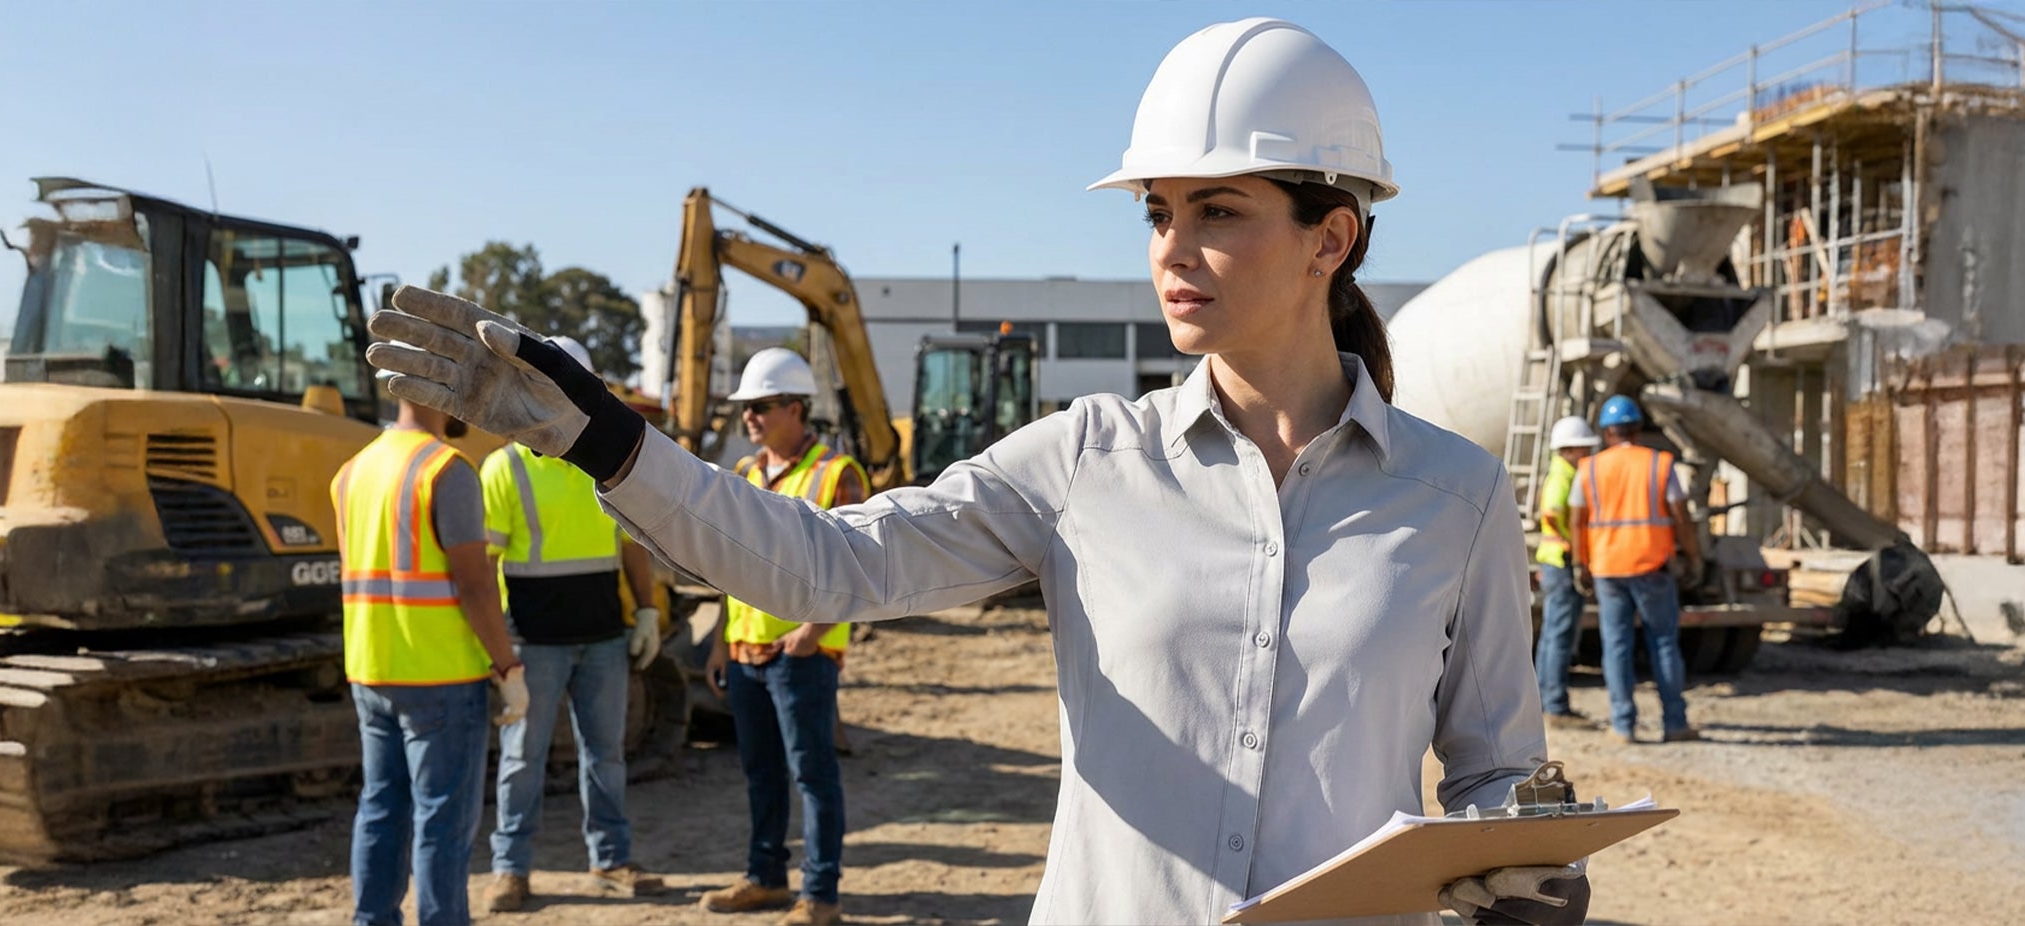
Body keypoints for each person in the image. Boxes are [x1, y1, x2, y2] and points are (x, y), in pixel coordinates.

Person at [368, 17, 1589, 925]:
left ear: (1335, 234)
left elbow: (1491, 765)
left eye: (1219, 208)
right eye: (1157, 212)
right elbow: (823, 563)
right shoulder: (1083, 463)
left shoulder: (1457, 495)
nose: (1176, 248)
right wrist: (607, 443)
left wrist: (1526, 857)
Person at [480, 336, 668, 913]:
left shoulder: (606, 462)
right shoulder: (504, 468)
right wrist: (496, 649)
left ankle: (610, 858)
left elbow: (631, 543)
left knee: (606, 755)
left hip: (603, 638)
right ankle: (510, 869)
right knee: (520, 759)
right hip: (534, 644)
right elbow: (484, 567)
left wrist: (647, 609)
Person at [333, 392, 524, 926]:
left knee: (380, 809)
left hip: (372, 669)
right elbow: (476, 586)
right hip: (440, 676)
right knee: (442, 824)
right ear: (444, 394)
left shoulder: (352, 470)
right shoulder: (447, 470)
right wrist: (509, 667)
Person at [695, 348, 871, 926]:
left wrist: (813, 633)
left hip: (802, 654)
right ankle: (765, 877)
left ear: (796, 408)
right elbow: (728, 565)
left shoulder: (837, 474)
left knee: (813, 775)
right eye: (747, 408)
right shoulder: (744, 473)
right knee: (762, 773)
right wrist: (721, 641)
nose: (749, 417)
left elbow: (856, 567)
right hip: (746, 652)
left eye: (762, 407)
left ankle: (820, 896)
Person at [1567, 395, 1704, 745]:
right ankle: (1674, 723)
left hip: (1608, 568)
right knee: (1663, 644)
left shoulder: (1590, 468)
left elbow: (1577, 520)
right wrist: (1693, 555)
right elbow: (1681, 515)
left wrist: (1581, 563)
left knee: (1616, 646)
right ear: (1638, 428)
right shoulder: (1659, 464)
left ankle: (1622, 725)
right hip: (1652, 566)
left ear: (1606, 432)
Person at [1535, 416, 1601, 729]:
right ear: (1569, 449)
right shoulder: (1564, 475)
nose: (1588, 453)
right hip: (1562, 562)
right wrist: (1572, 547)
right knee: (1559, 635)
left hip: (1556, 561)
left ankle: (1547, 701)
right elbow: (1552, 512)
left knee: (1554, 634)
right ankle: (1555, 706)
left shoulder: (1565, 471)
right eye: (1584, 448)